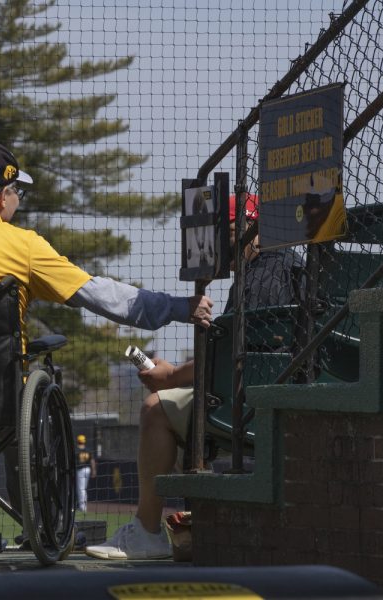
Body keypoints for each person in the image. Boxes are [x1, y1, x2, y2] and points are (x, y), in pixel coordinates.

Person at [0, 141, 213, 554]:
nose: (18, 203)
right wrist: (176, 307)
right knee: (18, 406)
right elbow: (101, 295)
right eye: (18, 194)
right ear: (1, 198)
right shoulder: (23, 246)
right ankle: (40, 523)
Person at [85, 193, 305, 560]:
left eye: (217, 234)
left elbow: (239, 357)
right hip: (267, 392)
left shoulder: (262, 276)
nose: (210, 246)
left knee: (156, 408)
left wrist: (170, 376)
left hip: (255, 401)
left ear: (241, 228)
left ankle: (147, 532)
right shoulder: (278, 265)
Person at [75, 434, 97, 512]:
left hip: (80, 470)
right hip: (88, 469)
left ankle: (82, 507)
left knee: (81, 489)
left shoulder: (76, 450)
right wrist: (94, 470)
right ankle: (83, 506)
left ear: (78, 441)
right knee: (83, 489)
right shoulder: (88, 450)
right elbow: (92, 461)